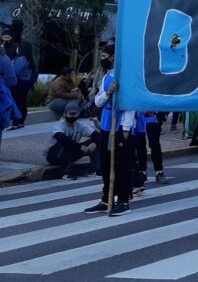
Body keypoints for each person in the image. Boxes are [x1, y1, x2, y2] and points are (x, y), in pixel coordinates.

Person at [84, 49, 134, 216]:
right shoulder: (107, 77)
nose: (103, 60)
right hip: (106, 125)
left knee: (121, 165)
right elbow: (98, 101)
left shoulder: (126, 77)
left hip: (119, 127)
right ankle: (107, 198)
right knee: (105, 165)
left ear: (113, 57)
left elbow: (130, 104)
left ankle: (124, 200)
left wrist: (126, 128)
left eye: (105, 57)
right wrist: (108, 92)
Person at [45, 102, 100, 179]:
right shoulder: (59, 125)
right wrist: (80, 146)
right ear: (65, 114)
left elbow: (98, 136)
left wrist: (94, 143)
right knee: (65, 142)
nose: (73, 116)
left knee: (93, 142)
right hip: (54, 155)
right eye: (70, 114)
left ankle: (94, 170)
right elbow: (61, 138)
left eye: (75, 114)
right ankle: (67, 173)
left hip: (70, 153)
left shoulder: (80, 126)